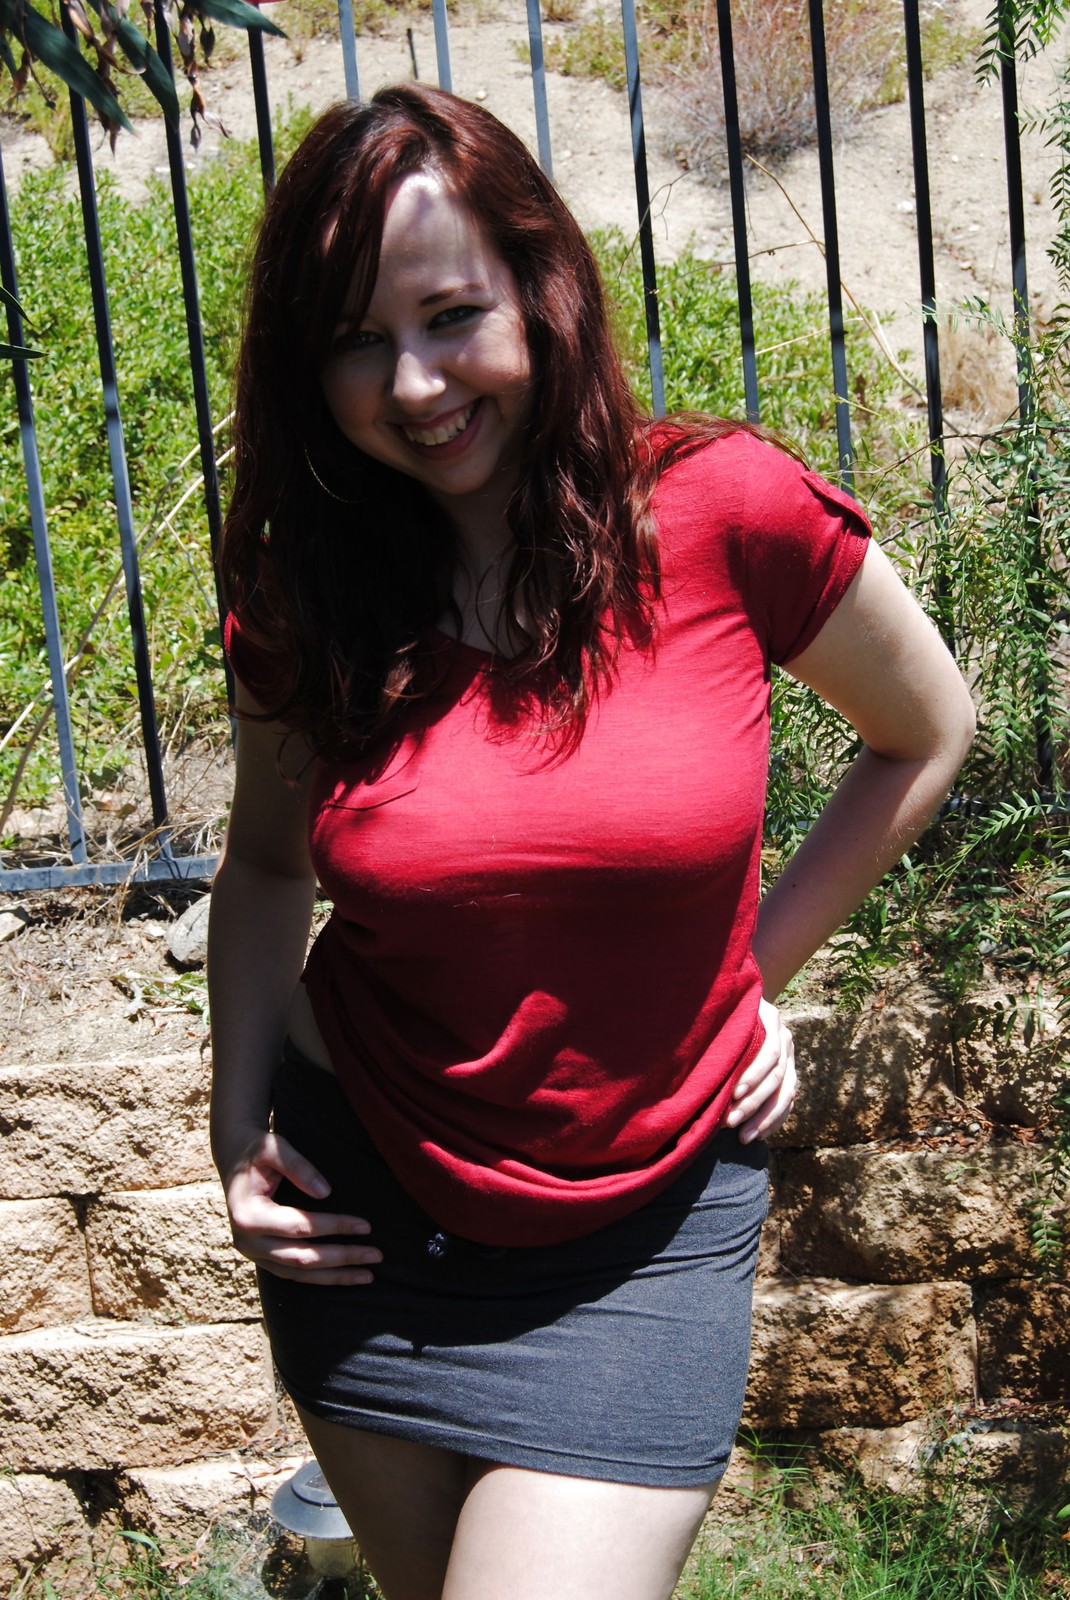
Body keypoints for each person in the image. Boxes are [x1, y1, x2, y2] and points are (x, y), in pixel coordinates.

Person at [207, 82, 975, 1600]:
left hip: (648, 1229)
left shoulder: (723, 511)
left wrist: (746, 978)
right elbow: (269, 867)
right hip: (366, 1218)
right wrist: (236, 1136)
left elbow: (925, 729)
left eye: (450, 315)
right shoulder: (313, 595)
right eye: (358, 339)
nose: (415, 382)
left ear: (539, 285)